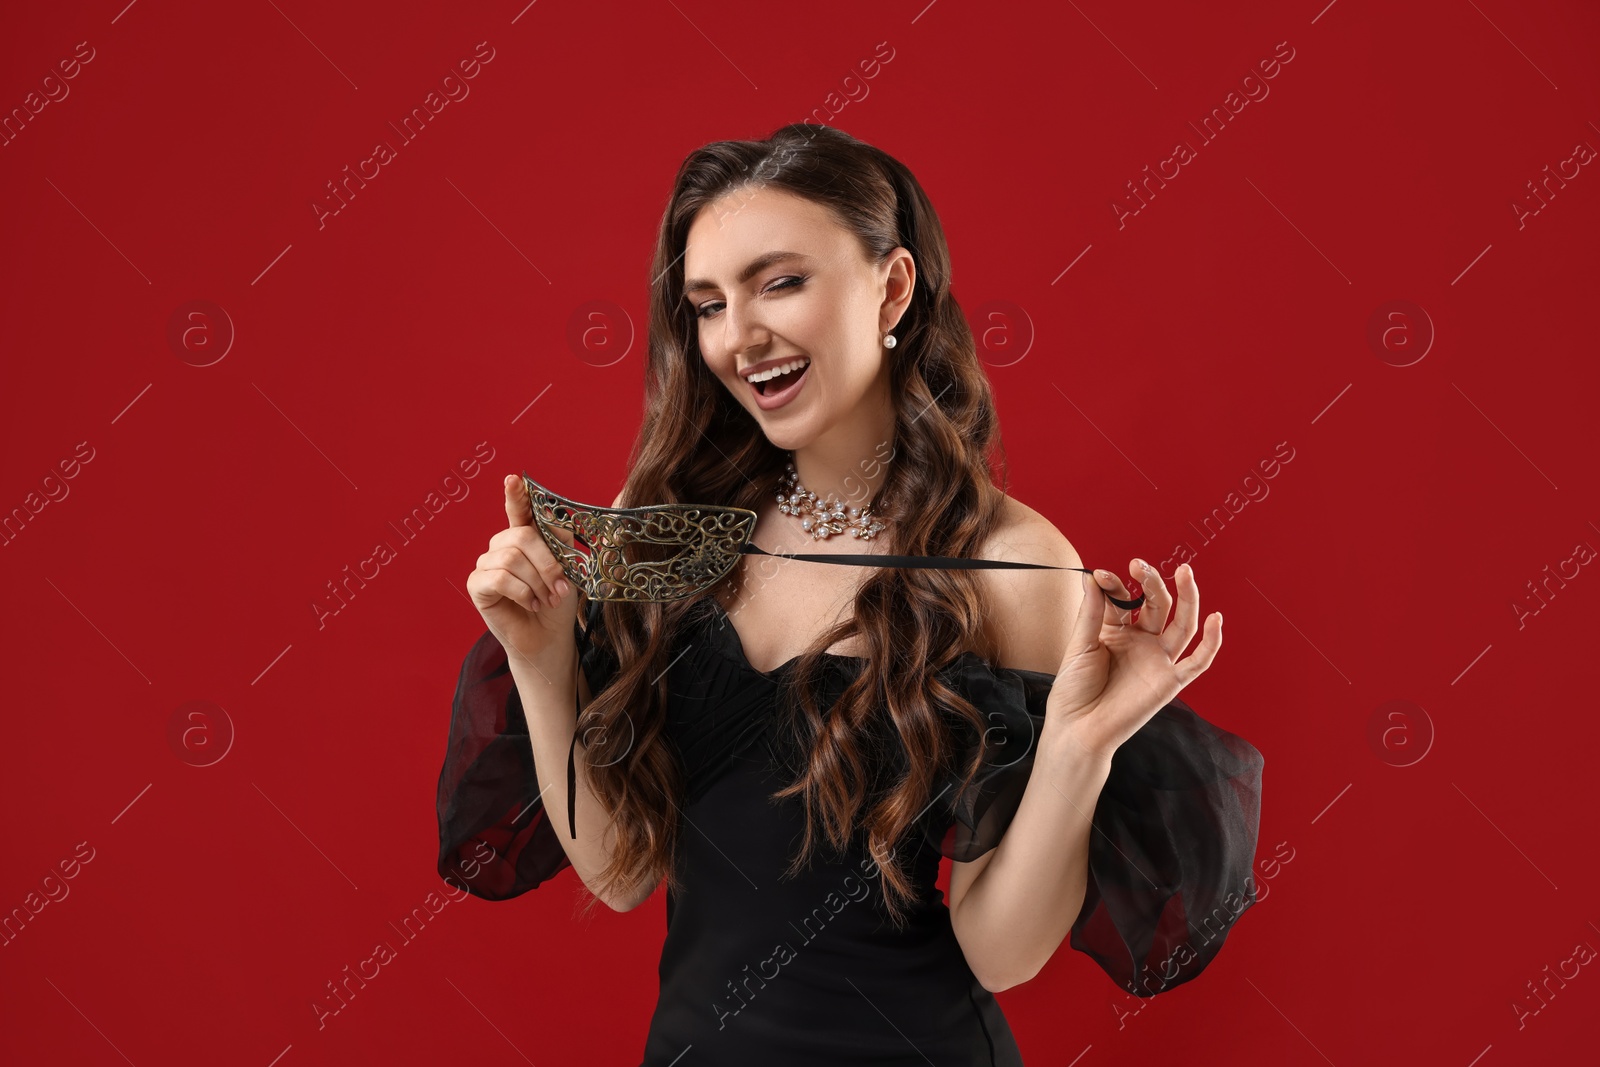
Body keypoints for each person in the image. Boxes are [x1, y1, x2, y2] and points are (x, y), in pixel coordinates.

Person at [437, 124, 1264, 1066]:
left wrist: (1081, 744)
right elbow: (622, 867)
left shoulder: (1014, 563)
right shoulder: (664, 524)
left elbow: (1001, 954)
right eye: (708, 303)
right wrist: (543, 659)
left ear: (894, 288)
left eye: (780, 282)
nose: (739, 337)